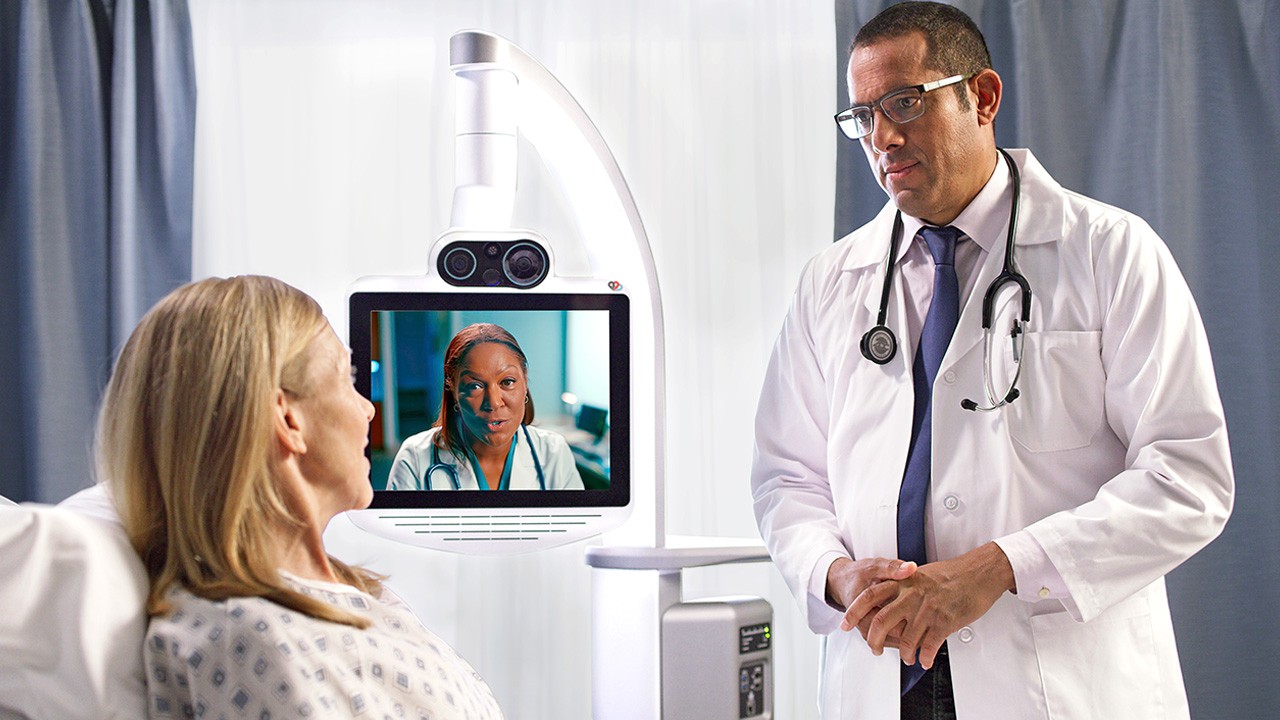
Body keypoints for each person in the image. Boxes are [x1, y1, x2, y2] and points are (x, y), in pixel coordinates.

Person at [750, 3, 1233, 719]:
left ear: (982, 97)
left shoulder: (1108, 252)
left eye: (904, 102)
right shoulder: (832, 280)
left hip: (1058, 681)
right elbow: (786, 476)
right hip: (886, 679)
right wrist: (835, 574)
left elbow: (1187, 479)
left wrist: (1001, 568)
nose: (882, 136)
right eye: (863, 116)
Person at [96, 275, 505, 720]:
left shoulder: (342, 588)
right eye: (347, 378)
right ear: (286, 418)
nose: (367, 408)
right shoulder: (250, 643)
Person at [386, 323, 584, 491]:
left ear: (525, 383)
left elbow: (578, 535)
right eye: (475, 386)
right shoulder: (413, 458)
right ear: (453, 391)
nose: (494, 402)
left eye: (507, 382)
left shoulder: (553, 451)